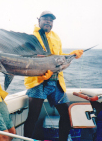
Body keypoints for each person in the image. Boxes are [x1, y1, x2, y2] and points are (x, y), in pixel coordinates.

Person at [23, 11, 83, 141]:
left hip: (56, 82)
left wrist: (72, 55)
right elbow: (27, 58)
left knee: (67, 114)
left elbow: (59, 57)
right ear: (39, 20)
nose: (48, 21)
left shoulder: (56, 37)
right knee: (33, 116)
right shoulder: (32, 37)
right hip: (39, 82)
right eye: (45, 19)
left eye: (51, 20)